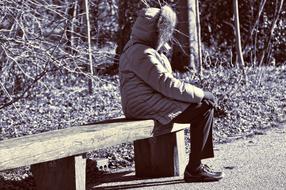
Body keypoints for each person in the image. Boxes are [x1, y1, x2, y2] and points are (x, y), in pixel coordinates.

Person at [119, 5, 224, 182]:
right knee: (204, 106)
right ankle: (194, 169)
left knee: (203, 105)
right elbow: (167, 84)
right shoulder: (143, 53)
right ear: (154, 31)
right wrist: (201, 93)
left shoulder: (141, 49)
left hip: (148, 102)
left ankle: (196, 166)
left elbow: (163, 83)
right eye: (163, 31)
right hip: (142, 106)